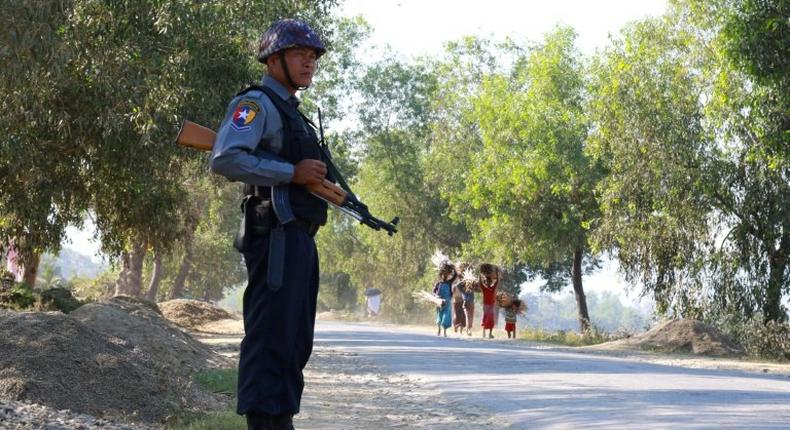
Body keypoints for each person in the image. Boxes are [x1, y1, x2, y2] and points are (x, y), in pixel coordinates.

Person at [209, 18, 331, 430]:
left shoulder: (293, 112)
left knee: (295, 341)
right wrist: (290, 173)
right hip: (274, 238)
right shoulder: (256, 105)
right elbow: (225, 157)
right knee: (270, 340)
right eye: (300, 54)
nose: (309, 62)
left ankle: (281, 422)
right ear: (273, 59)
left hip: (299, 238)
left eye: (313, 56)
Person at [433, 262, 455, 337]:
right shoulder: (438, 283)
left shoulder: (449, 282)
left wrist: (453, 268)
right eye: (443, 274)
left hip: (447, 301)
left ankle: (445, 331)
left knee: (446, 315)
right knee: (439, 315)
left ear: (448, 275)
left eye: (446, 274)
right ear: (441, 274)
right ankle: (439, 329)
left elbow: (455, 276)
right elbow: (434, 291)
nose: (445, 276)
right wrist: (436, 297)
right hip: (439, 301)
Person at [479, 263, 499, 339]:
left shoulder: (493, 288)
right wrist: (480, 274)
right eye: (487, 282)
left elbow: (497, 282)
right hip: (486, 305)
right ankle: (484, 331)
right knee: (486, 317)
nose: (489, 283)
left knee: (491, 319)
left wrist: (497, 273)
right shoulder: (484, 288)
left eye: (490, 282)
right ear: (486, 282)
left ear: (491, 282)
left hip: (491, 305)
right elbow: (480, 283)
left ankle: (490, 333)